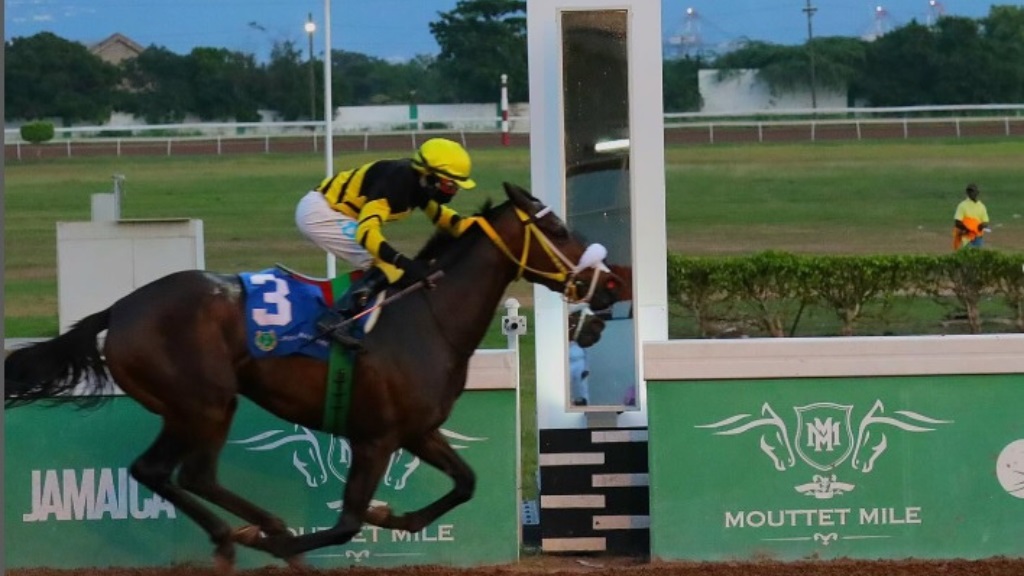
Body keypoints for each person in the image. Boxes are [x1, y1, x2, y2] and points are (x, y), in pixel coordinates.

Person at [295, 137, 477, 347]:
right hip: (320, 213)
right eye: (450, 185)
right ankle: (335, 319)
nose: (452, 192)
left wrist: (480, 225)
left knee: (390, 265)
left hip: (334, 212)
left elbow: (443, 218)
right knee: (387, 263)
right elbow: (366, 233)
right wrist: (403, 262)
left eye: (456, 187)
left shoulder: (419, 183)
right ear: (430, 175)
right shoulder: (397, 183)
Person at [952, 183, 990, 250]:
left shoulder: (981, 206)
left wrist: (981, 226)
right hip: (966, 238)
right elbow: (957, 222)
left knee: (978, 257)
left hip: (978, 237)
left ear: (977, 192)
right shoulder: (962, 205)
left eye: (972, 191)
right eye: (969, 191)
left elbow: (986, 222)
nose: (971, 193)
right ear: (967, 192)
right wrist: (967, 229)